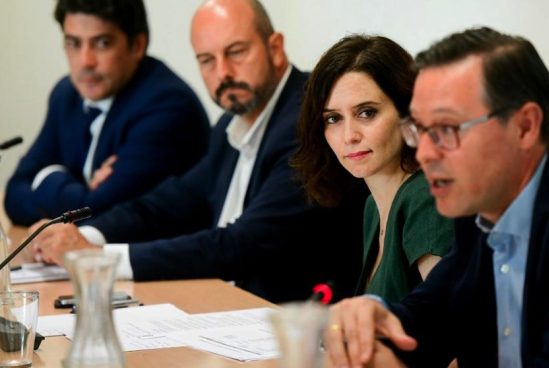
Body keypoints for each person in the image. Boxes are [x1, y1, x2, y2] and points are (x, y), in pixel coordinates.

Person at [324, 27, 549, 368]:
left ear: (524, 127)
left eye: (446, 130)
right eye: (420, 131)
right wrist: (373, 318)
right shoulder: (487, 206)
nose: (423, 154)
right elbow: (428, 317)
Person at [28, 0, 365, 303]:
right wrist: (83, 236)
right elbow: (170, 203)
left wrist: (98, 257)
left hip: (285, 323)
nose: (223, 73)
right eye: (207, 60)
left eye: (236, 52)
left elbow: (241, 245)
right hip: (224, 311)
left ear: (275, 48)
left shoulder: (306, 122)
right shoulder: (229, 127)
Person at [4, 0, 210, 226]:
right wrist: (79, 190)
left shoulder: (168, 107)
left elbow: (97, 215)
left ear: (138, 45)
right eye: (73, 43)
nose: (86, 61)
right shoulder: (67, 95)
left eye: (102, 43)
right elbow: (14, 195)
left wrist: (48, 178)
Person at [293, 35, 453, 303]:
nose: (349, 136)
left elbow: (453, 322)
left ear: (408, 112)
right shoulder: (372, 208)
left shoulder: (425, 196)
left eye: (366, 113)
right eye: (333, 119)